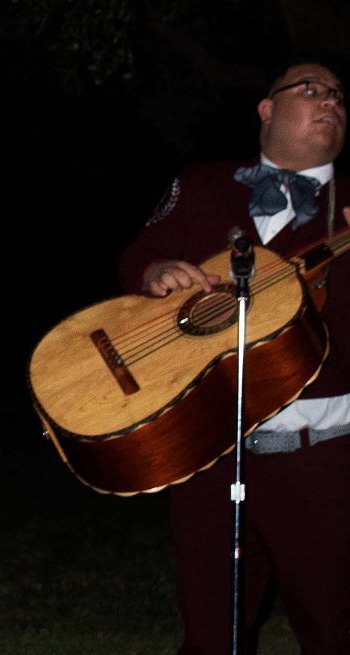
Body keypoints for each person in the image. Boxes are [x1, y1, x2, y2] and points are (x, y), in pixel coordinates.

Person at [118, 53, 350, 654]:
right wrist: (157, 270)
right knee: (209, 630)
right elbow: (138, 258)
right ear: (268, 108)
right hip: (209, 451)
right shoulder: (200, 185)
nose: (330, 101)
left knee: (332, 628)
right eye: (311, 89)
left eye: (338, 96)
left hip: (323, 459)